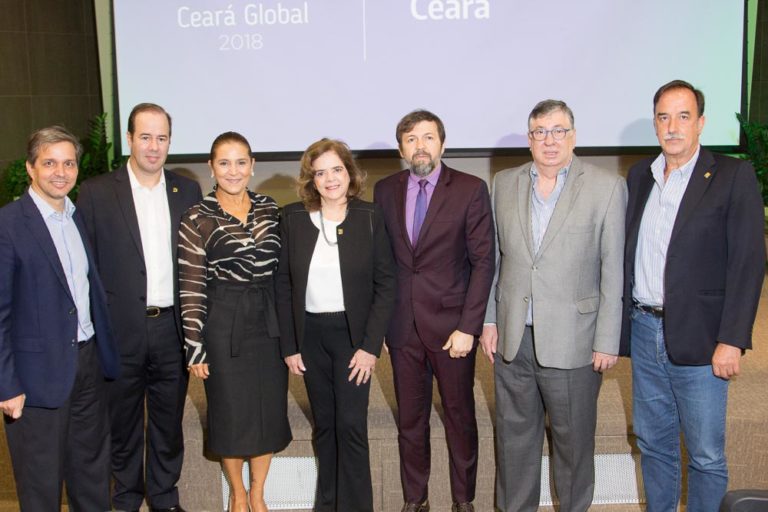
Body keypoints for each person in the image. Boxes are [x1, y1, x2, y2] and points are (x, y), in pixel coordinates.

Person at [620, 79, 766, 512]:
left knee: (704, 453)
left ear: (701, 123)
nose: (673, 127)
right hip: (645, 331)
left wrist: (732, 338)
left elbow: (748, 263)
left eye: (683, 116)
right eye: (664, 117)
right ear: (655, 124)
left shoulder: (732, 176)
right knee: (654, 442)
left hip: (704, 339)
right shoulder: (639, 176)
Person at [479, 100, 626, 512]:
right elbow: (496, 259)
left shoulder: (606, 187)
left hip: (575, 343)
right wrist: (490, 318)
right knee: (514, 445)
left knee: (574, 448)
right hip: (513, 341)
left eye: (558, 130)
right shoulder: (504, 184)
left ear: (573, 136)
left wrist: (607, 340)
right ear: (529, 139)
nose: (549, 140)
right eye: (540, 131)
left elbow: (613, 272)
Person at [77, 103, 202, 512]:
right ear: (130, 138)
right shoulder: (96, 192)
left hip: (172, 329)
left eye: (161, 138)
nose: (153, 146)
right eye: (145, 137)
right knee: (123, 424)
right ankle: (127, 500)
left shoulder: (188, 189)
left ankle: (164, 499)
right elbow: (87, 269)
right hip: (119, 330)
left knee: (168, 424)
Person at [373, 110, 495, 512]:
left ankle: (464, 501)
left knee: (460, 418)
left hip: (452, 331)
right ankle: (416, 500)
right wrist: (385, 327)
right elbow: (385, 264)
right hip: (403, 329)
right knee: (411, 422)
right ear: (400, 148)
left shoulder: (470, 189)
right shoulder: (385, 190)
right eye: (411, 139)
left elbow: (483, 263)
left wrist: (469, 327)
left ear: (442, 143)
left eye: (428, 137)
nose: (420, 146)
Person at [0, 126, 120, 511]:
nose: (60, 172)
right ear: (30, 168)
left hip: (86, 365)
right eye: (49, 163)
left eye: (68, 163)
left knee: (92, 476)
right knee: (41, 488)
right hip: (35, 379)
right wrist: (6, 384)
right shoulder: (8, 225)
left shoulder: (74, 216)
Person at [276, 138, 396, 512]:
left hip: (352, 340)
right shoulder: (293, 217)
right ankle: (327, 505)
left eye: (337, 169)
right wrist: (289, 345)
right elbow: (282, 284)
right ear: (311, 179)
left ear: (350, 173)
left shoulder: (370, 217)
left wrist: (370, 346)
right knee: (324, 427)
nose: (330, 179)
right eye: (321, 172)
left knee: (351, 426)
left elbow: (386, 283)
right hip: (310, 337)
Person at [178, 132, 291, 512]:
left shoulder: (269, 207)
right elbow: (190, 285)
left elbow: (281, 274)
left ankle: (258, 492)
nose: (233, 170)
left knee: (267, 410)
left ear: (252, 165)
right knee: (230, 412)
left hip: (268, 320)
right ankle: (238, 494)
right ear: (211, 168)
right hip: (223, 320)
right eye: (224, 163)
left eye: (241, 162)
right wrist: (195, 347)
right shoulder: (196, 216)